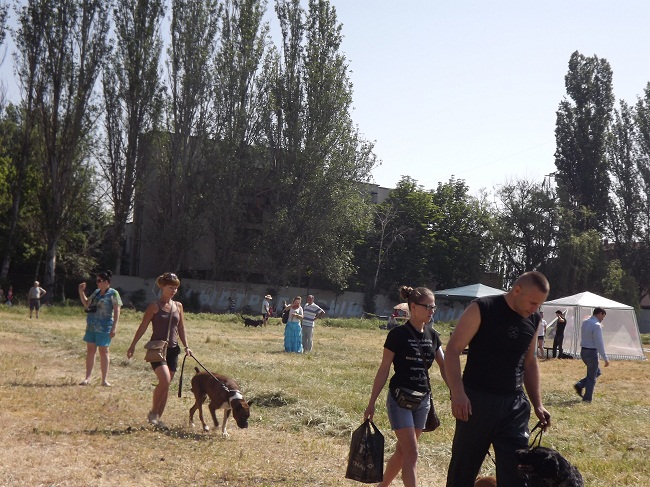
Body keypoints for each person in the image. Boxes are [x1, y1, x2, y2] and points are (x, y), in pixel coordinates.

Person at [445, 271, 551, 487]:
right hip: (476, 403)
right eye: (532, 302)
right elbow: (453, 350)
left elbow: (530, 363)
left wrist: (538, 404)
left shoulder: (534, 319)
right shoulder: (483, 308)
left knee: (517, 474)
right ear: (517, 290)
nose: (535, 308)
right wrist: (458, 393)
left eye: (539, 304)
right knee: (462, 472)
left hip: (514, 406)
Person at [364, 286, 446, 487]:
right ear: (413, 307)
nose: (431, 311)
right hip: (400, 399)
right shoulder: (397, 335)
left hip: (422, 400)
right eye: (427, 307)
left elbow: (445, 366)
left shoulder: (433, 335)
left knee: (403, 451)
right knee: (412, 452)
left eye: (433, 307)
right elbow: (384, 369)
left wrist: (457, 391)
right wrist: (371, 402)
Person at [127, 272, 192, 429]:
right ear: (162, 287)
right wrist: (133, 344)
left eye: (176, 288)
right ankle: (153, 413)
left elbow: (181, 328)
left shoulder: (178, 306)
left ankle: (157, 420)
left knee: (166, 385)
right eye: (171, 287)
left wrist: (186, 346)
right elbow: (143, 326)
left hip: (173, 350)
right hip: (157, 350)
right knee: (165, 380)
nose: (174, 290)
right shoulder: (154, 306)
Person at [78, 271, 122, 386]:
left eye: (99, 281)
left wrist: (114, 327)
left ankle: (104, 380)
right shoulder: (96, 292)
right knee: (90, 351)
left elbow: (117, 310)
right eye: (96, 281)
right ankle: (87, 378)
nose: (97, 283)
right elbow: (87, 304)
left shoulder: (113, 293)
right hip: (91, 326)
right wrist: (81, 292)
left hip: (105, 327)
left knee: (104, 352)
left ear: (106, 282)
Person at [574, 307, 609, 403]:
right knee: (592, 377)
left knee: (597, 372)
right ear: (600, 313)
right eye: (603, 316)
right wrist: (605, 358)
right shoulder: (596, 325)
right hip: (591, 352)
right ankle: (587, 398)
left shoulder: (585, 322)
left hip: (584, 351)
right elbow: (599, 343)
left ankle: (580, 385)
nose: (602, 319)